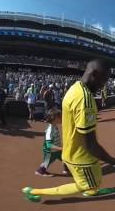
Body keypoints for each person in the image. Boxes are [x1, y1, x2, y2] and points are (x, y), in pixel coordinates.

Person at [23, 60, 115, 202]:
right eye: (104, 79)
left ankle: (90, 189)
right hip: (81, 157)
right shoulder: (85, 99)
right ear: (95, 75)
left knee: (92, 181)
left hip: (73, 152)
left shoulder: (75, 88)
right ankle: (35, 191)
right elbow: (90, 143)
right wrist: (112, 161)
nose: (104, 84)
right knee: (88, 184)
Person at [34, 109, 70, 177]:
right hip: (50, 151)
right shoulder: (50, 130)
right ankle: (40, 171)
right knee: (47, 162)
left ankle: (67, 170)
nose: (62, 118)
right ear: (55, 118)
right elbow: (48, 145)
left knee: (65, 158)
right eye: (60, 117)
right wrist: (61, 148)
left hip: (57, 150)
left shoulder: (54, 126)